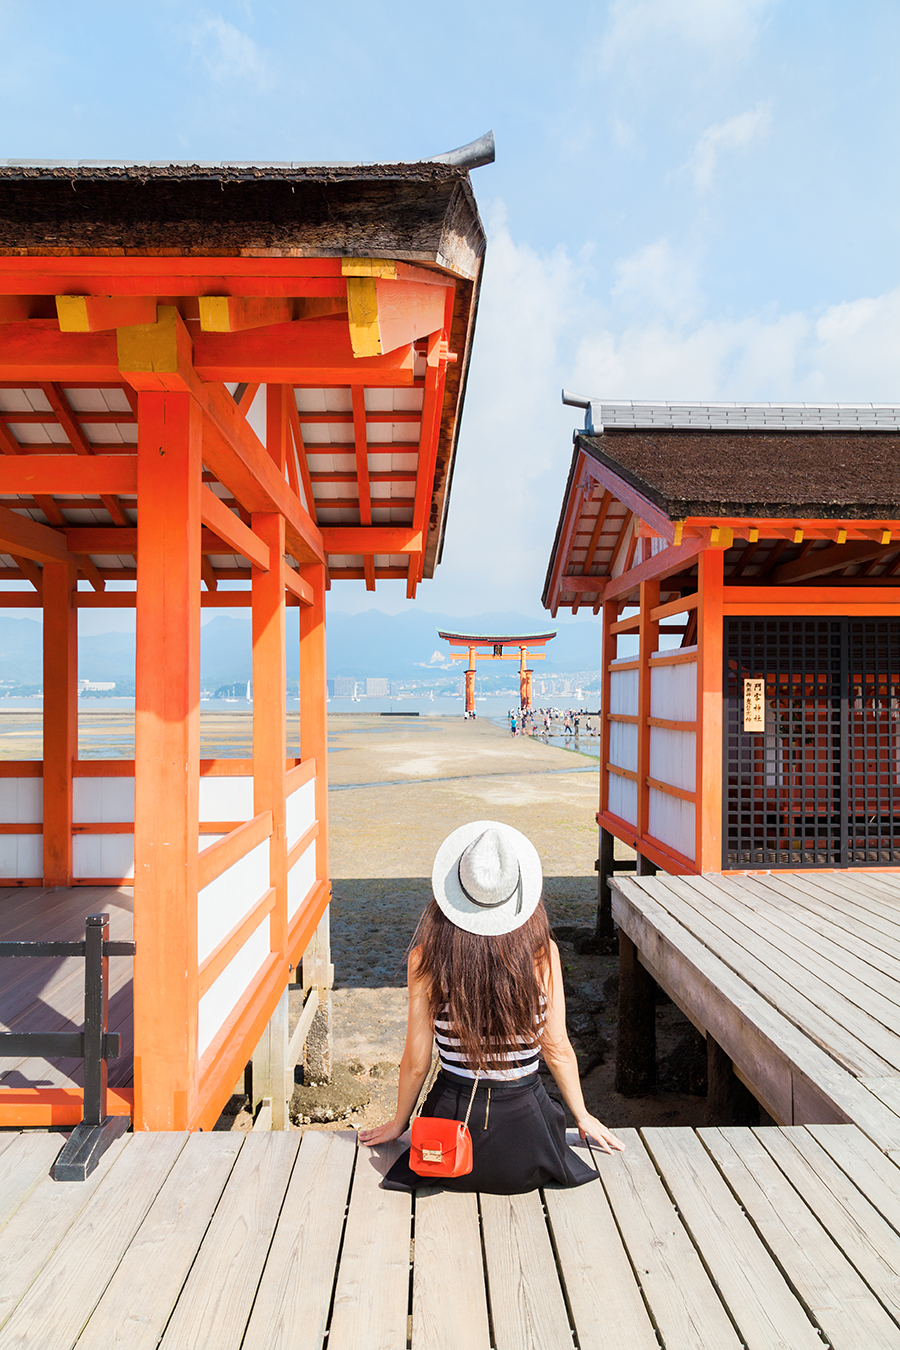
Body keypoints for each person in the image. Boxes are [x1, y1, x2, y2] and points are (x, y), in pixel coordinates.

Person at [360, 821, 625, 1193]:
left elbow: (416, 1061)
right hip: (526, 1146)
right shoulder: (542, 954)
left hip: (447, 1143)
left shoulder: (425, 959)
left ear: (453, 891)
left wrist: (398, 1123)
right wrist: (582, 1115)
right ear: (517, 893)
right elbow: (557, 1047)